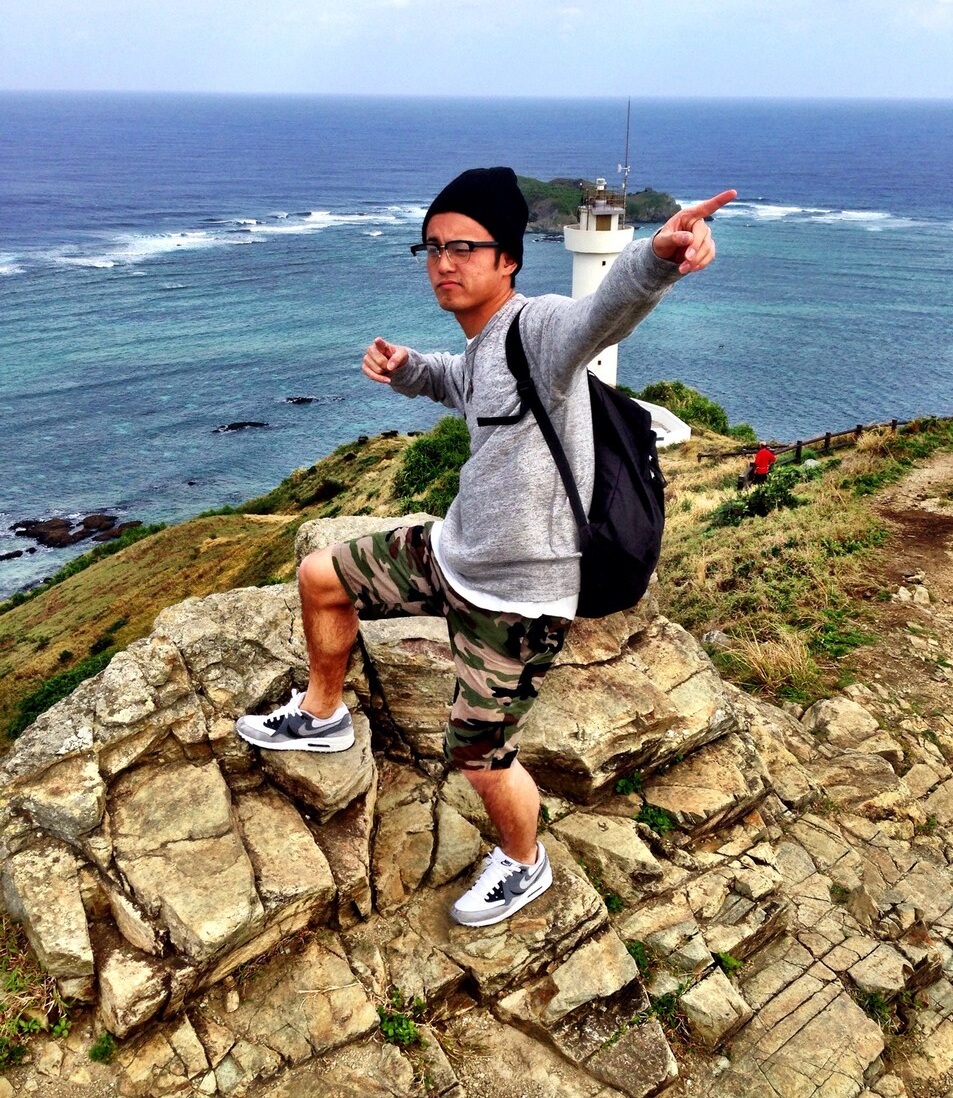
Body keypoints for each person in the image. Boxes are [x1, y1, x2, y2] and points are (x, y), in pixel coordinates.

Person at [237, 167, 735, 927]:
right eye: (432, 247)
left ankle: (524, 863)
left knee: (479, 756)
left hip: (517, 600)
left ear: (508, 258)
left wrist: (657, 257)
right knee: (320, 577)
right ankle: (324, 713)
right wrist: (408, 370)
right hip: (454, 554)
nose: (443, 262)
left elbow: (603, 311)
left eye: (463, 247)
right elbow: (459, 381)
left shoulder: (538, 330)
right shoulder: (485, 345)